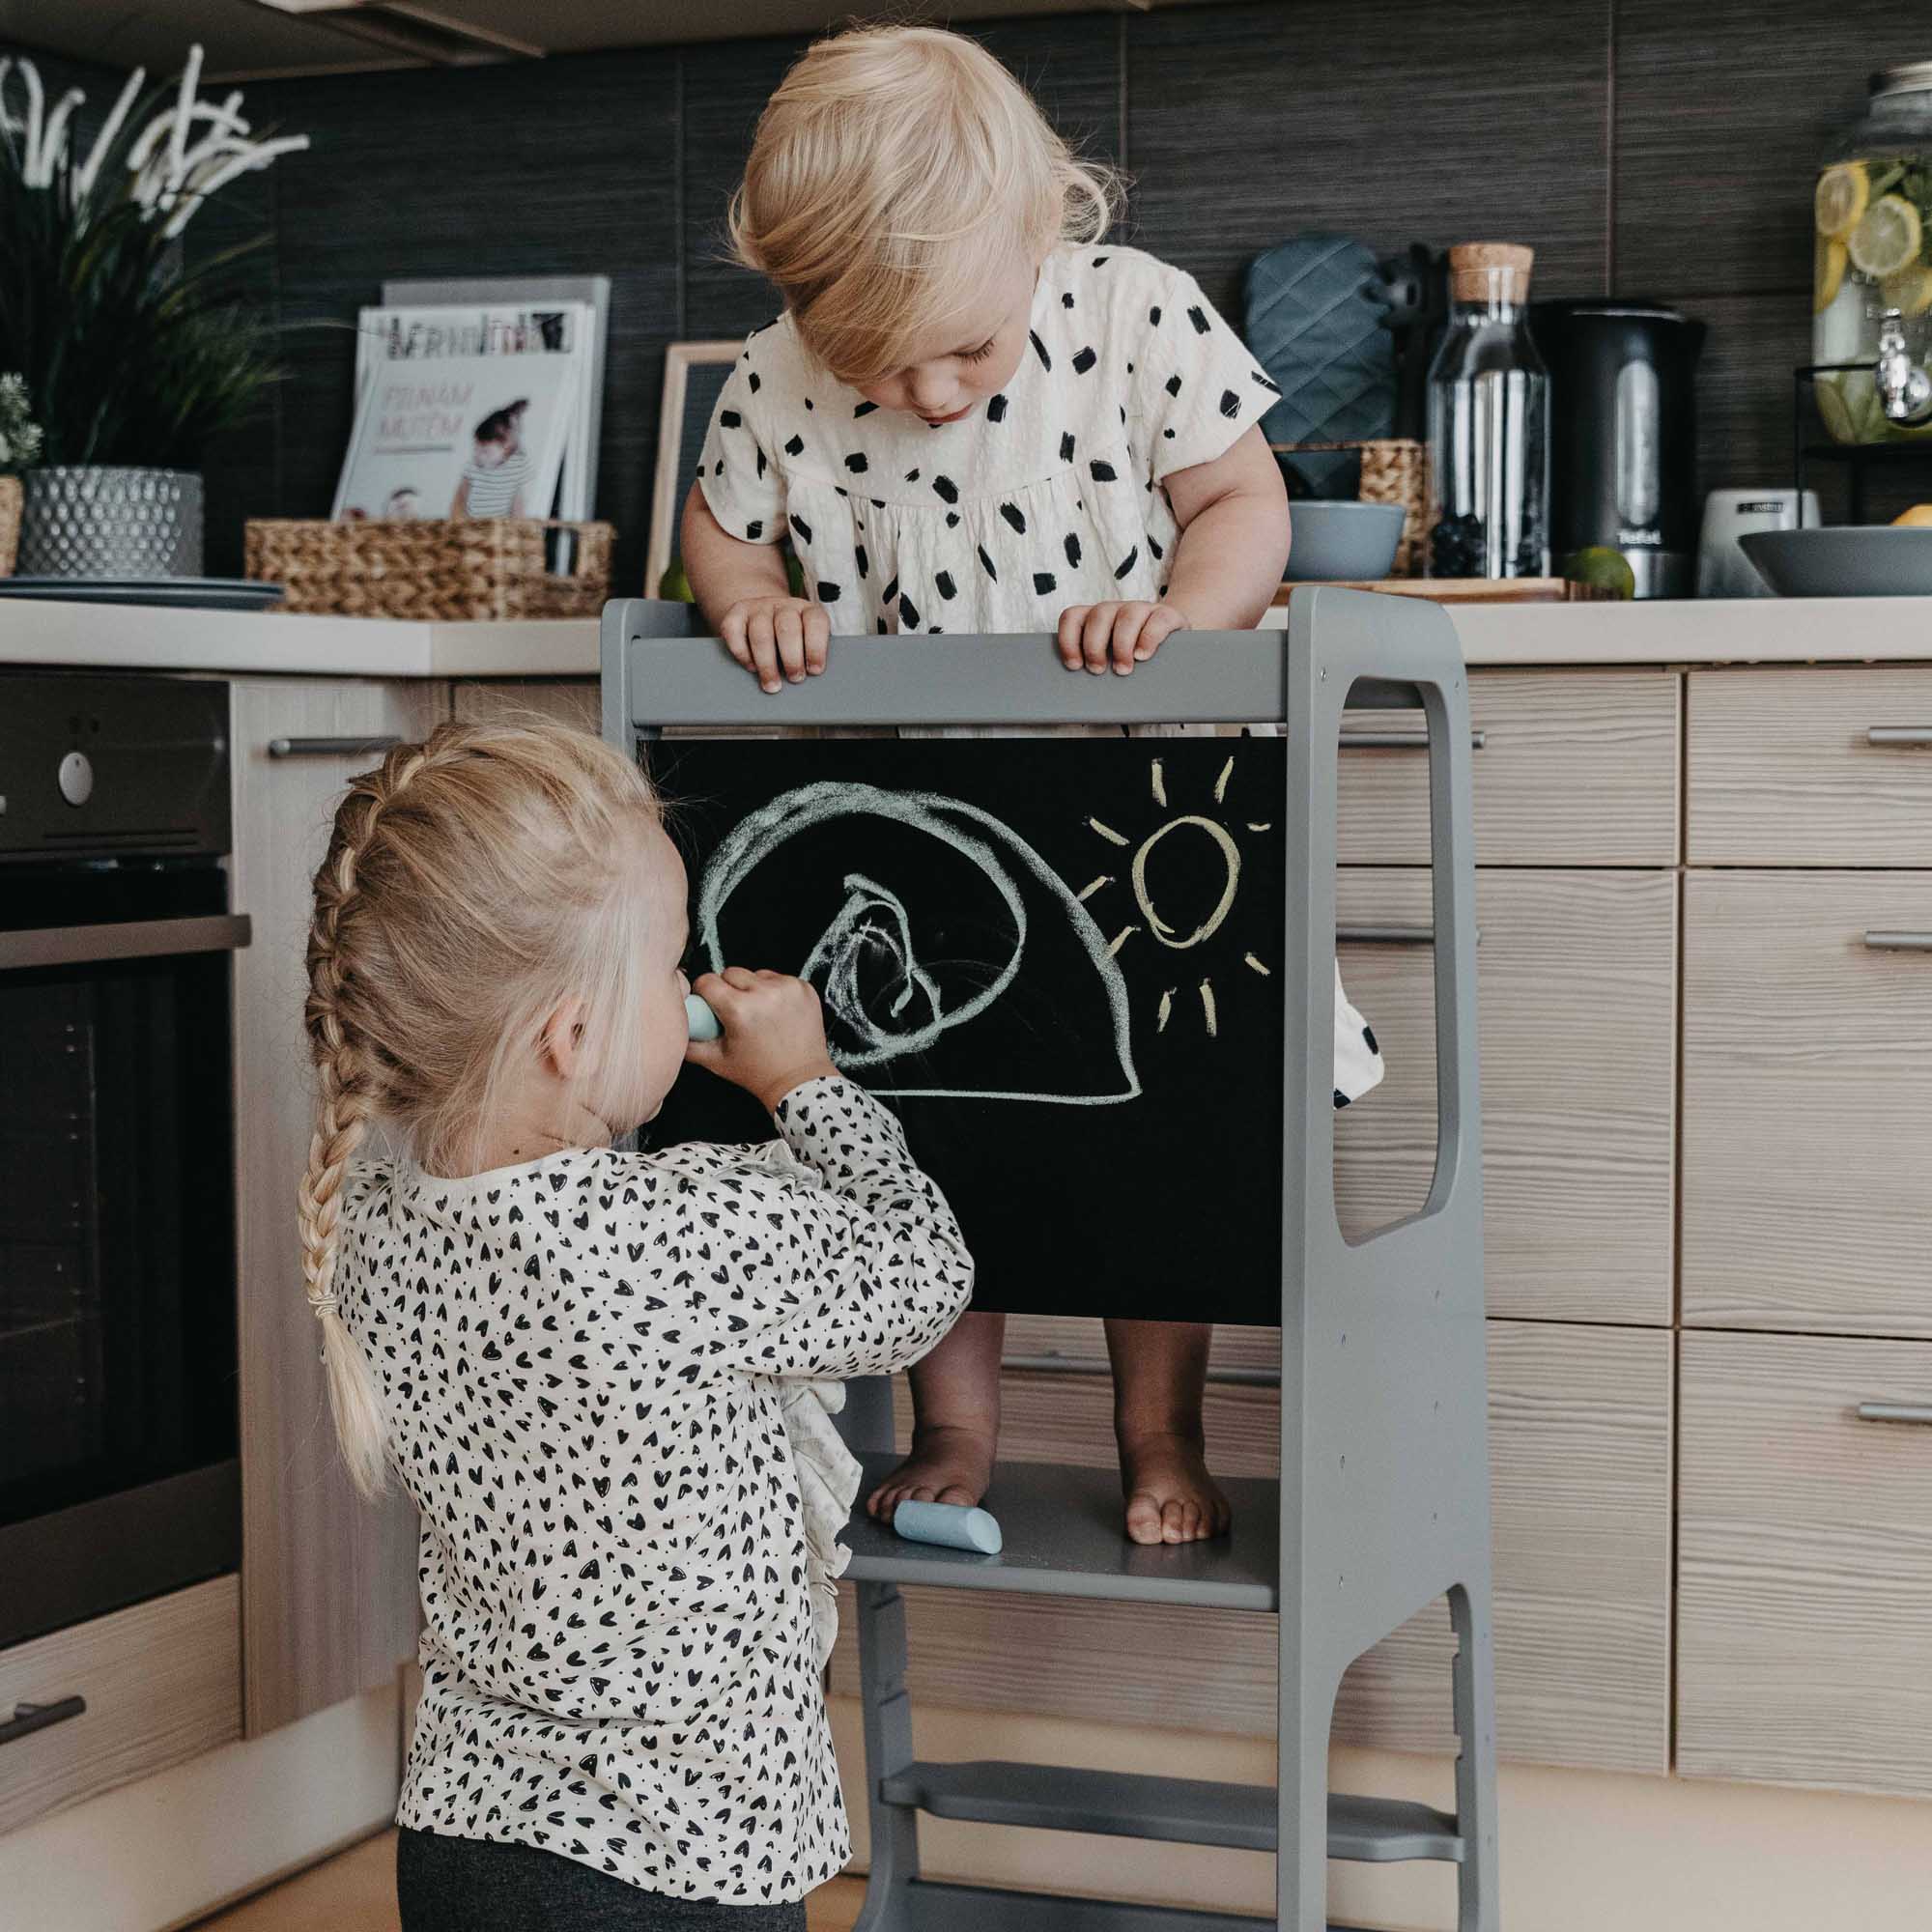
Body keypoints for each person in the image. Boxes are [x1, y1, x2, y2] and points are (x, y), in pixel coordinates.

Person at [679, 22, 1382, 1549]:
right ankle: (956, 1426)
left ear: (1042, 221)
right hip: (922, 836)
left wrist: (1184, 623)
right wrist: (748, 604)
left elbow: (1243, 504)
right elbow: (722, 530)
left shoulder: (1138, 319)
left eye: (967, 352)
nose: (928, 393)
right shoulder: (777, 375)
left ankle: (1159, 1425)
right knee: (938, 1139)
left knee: (1152, 1144)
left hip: (1141, 828)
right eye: (879, 363)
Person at [296, 719, 974, 1927]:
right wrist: (806, 1084)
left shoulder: (376, 1221)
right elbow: (922, 1272)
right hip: (683, 1853)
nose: (691, 987)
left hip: (463, 1833)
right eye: (669, 967)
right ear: (571, 1035)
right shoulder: (672, 1234)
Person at [449, 399, 530, 518]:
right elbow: (458, 501)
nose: (479, 456)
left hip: (501, 530)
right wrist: (458, 524)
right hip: (473, 527)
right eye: (476, 450)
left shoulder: (512, 472)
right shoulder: (472, 469)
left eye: (486, 452)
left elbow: (518, 510)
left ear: (505, 448)